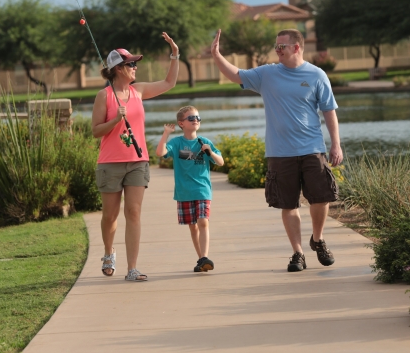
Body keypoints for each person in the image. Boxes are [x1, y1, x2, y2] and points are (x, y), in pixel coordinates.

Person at [211, 28, 343, 272]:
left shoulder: (316, 75)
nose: (277, 50)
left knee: (321, 197)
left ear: (296, 47)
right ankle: (298, 253)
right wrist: (217, 55)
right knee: (288, 204)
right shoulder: (267, 74)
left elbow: (329, 110)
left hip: (312, 147)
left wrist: (336, 143)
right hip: (280, 152)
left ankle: (318, 239)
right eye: (276, 46)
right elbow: (236, 75)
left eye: (281, 46)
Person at [92, 32, 179, 281]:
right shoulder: (104, 96)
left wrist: (175, 54)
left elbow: (169, 83)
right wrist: (116, 119)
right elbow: (96, 131)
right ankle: (109, 253)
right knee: (110, 216)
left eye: (134, 63)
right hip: (110, 163)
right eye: (131, 64)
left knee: (134, 212)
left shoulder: (138, 91)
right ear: (118, 69)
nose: (135, 67)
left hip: (137, 162)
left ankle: (132, 268)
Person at [155, 106, 224, 272]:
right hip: (184, 192)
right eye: (191, 118)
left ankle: (205, 257)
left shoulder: (205, 142)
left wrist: (210, 153)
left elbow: (220, 162)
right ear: (181, 123)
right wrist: (166, 134)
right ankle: (201, 260)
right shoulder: (177, 143)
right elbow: (160, 152)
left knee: (203, 222)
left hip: (202, 189)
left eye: (198, 118)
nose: (195, 120)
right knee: (193, 226)